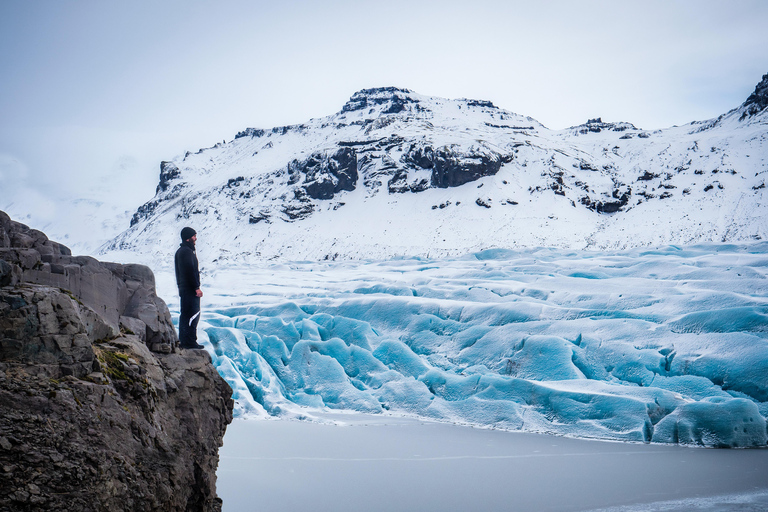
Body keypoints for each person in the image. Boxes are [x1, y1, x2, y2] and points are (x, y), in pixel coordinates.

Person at [175, 227, 204, 349]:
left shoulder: (182, 251)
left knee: (185, 315)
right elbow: (190, 271)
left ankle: (185, 341)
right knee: (193, 314)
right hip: (190, 289)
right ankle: (190, 342)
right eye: (193, 236)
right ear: (188, 238)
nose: (195, 238)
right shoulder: (186, 252)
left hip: (184, 288)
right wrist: (196, 287)